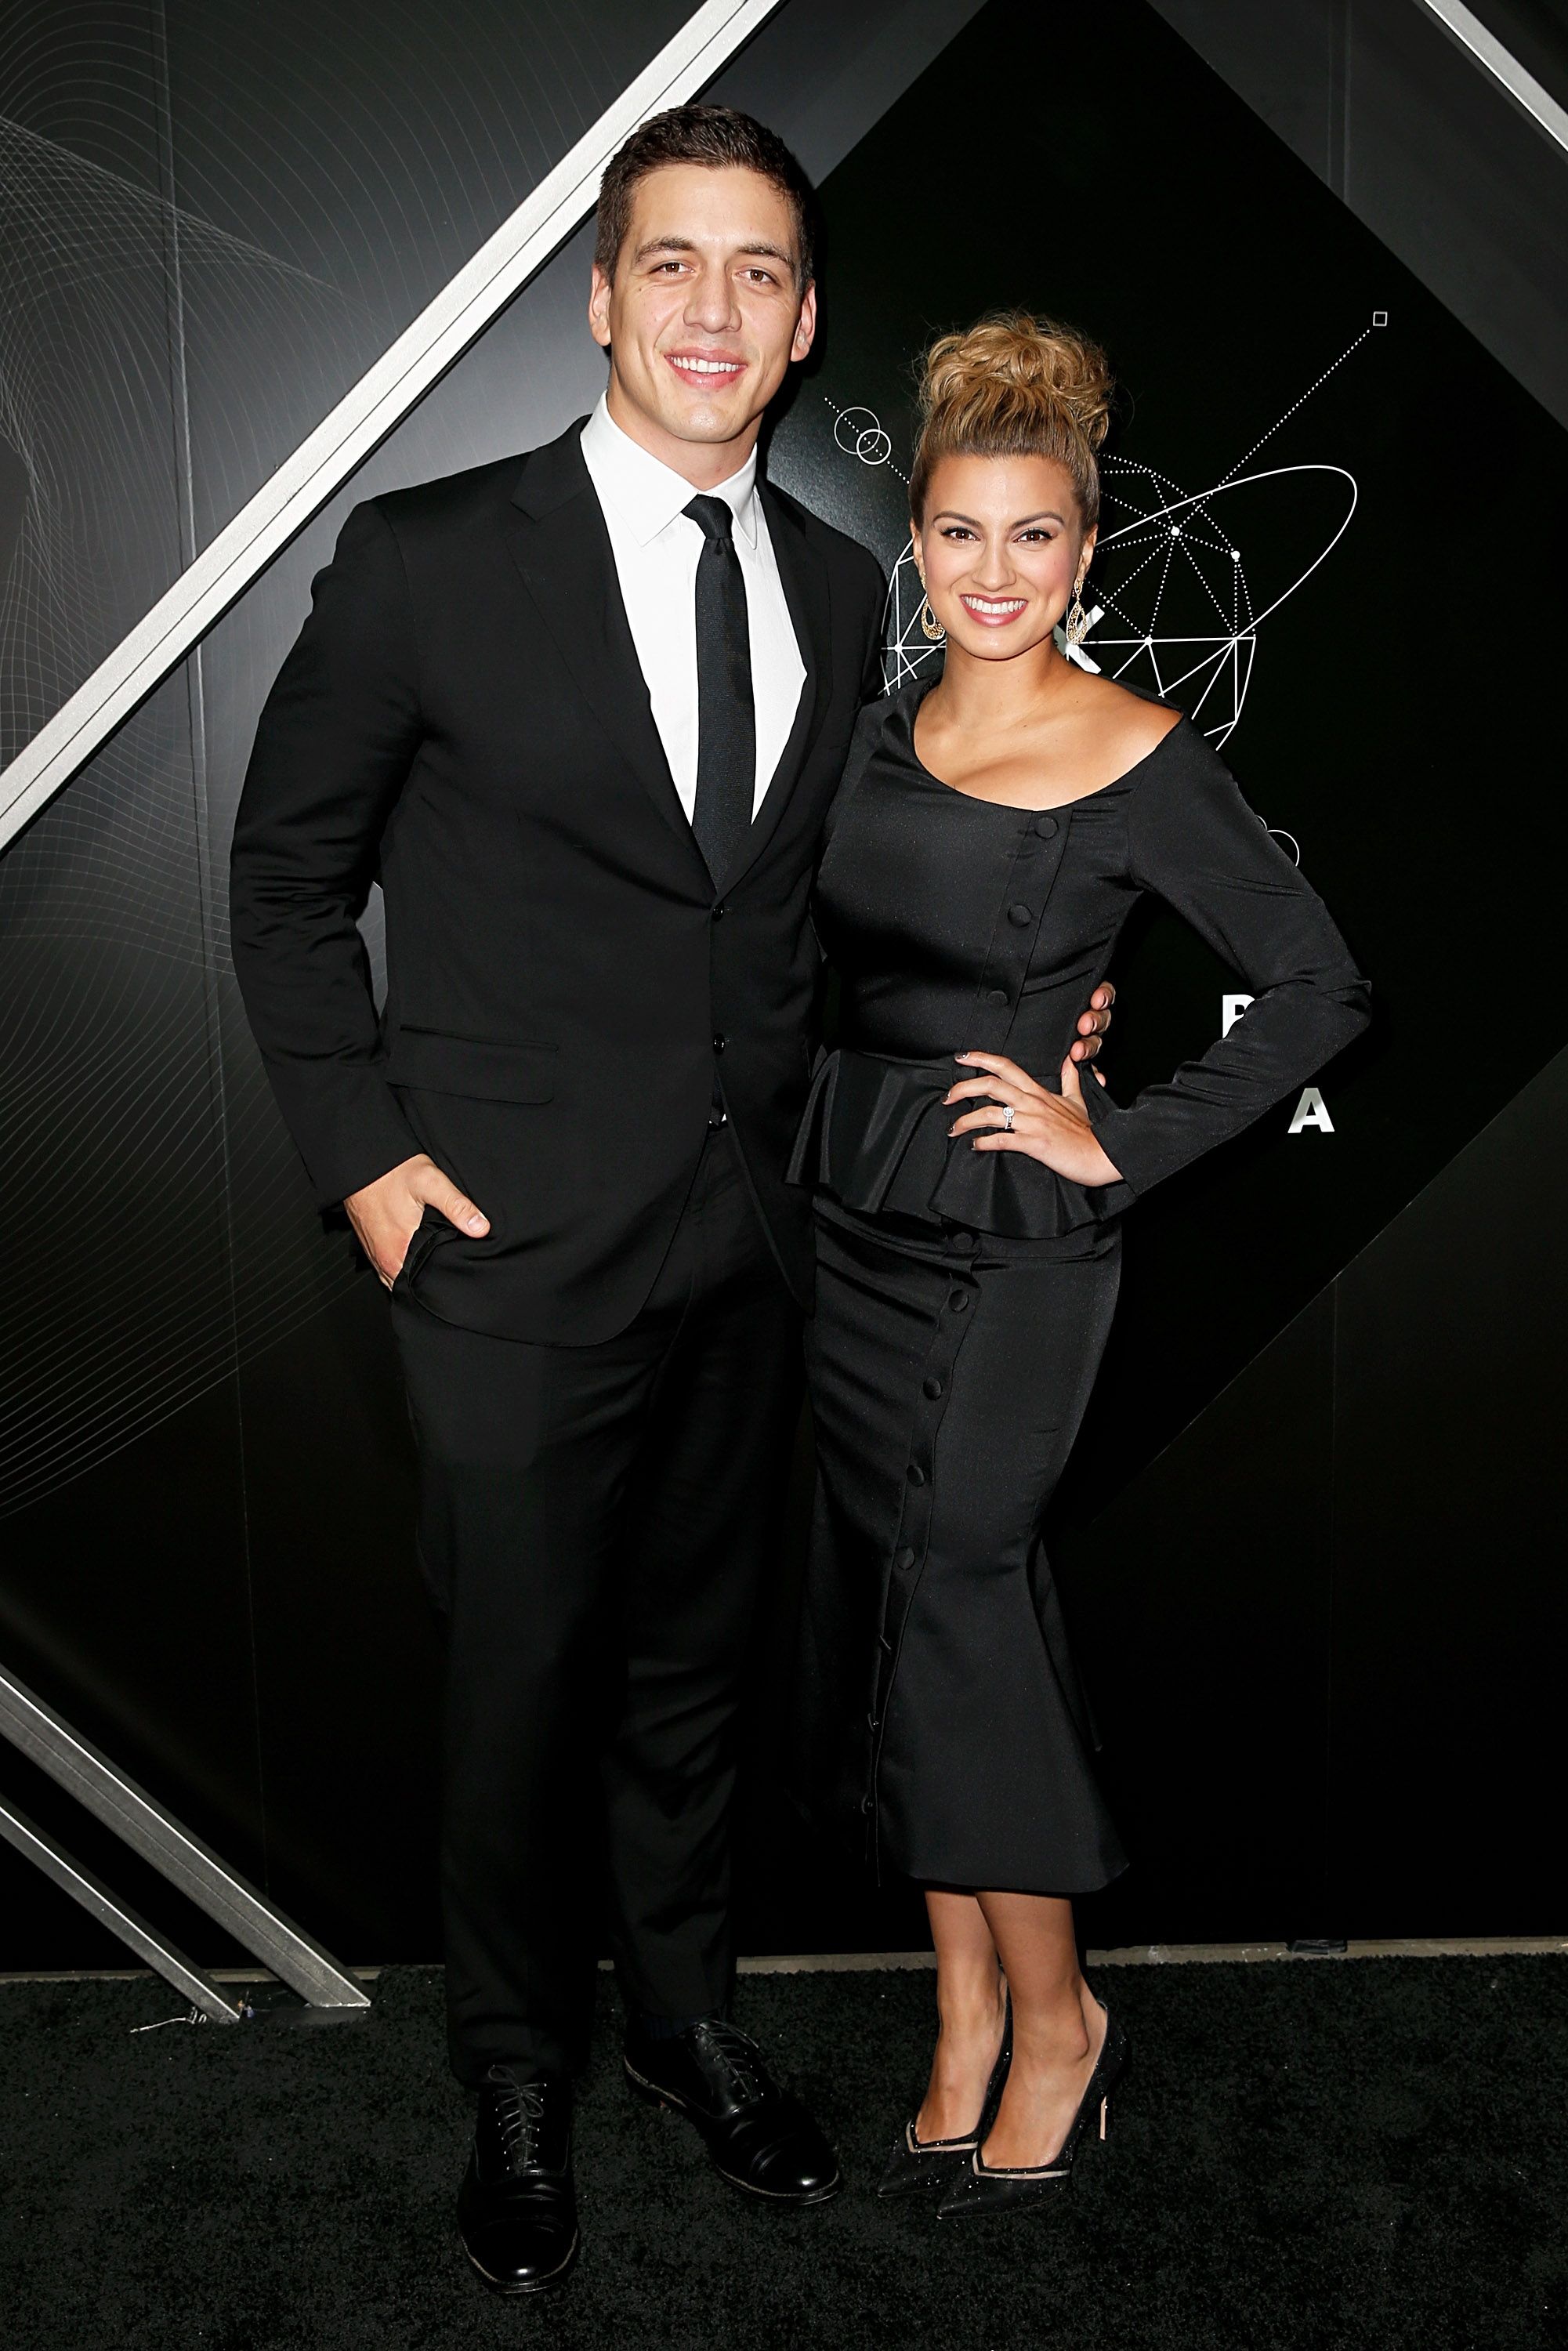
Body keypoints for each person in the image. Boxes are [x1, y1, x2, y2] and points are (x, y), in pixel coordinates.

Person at [229, 106, 1118, 2292]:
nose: (713, 308)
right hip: (503, 1254)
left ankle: (685, 2022)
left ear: (804, 323)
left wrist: (1041, 1021)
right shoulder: (428, 557)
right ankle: (516, 2069)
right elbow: (281, 883)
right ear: (604, 294)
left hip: (758, 1242)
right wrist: (363, 1163)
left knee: (697, 1685)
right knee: (522, 1680)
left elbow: (839, 913)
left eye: (756, 273)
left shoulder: (836, 585)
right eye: (672, 264)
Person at [788, 313, 1371, 2218]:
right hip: (852, 1213)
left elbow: (1316, 986)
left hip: (1015, 1248)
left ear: (1085, 547)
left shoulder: (1137, 752)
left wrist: (1111, 1129)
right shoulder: (882, 730)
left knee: (955, 1595)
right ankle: (959, 2001)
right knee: (907, 1602)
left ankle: (1058, 2017)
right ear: (920, 540)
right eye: (956, 534)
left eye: (1029, 536)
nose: (989, 573)